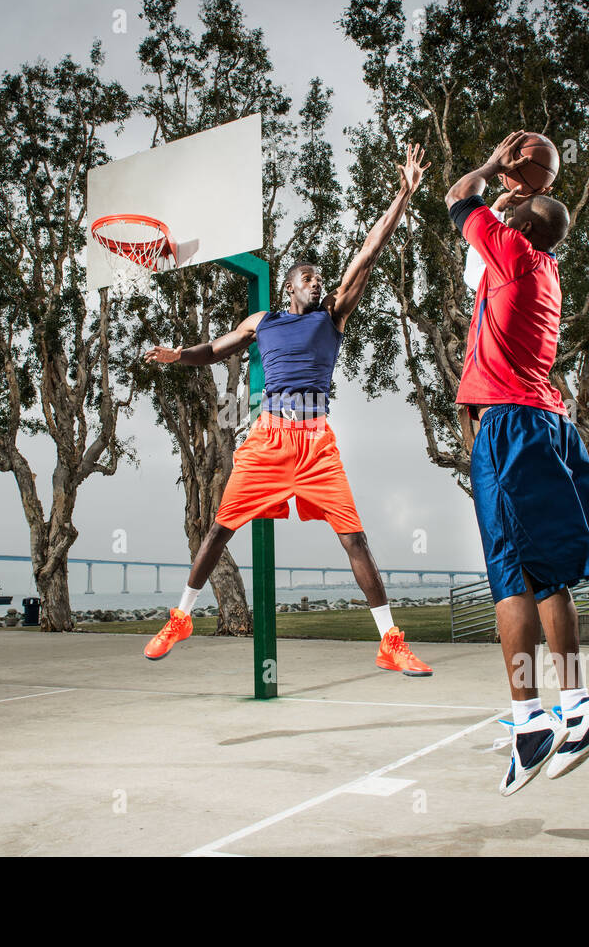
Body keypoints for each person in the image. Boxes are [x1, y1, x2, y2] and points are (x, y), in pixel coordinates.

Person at [142, 144, 433, 677]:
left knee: (355, 537)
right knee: (218, 530)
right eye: (310, 278)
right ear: (290, 287)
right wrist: (177, 355)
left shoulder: (332, 318)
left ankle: (390, 640)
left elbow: (367, 253)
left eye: (322, 277)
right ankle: (181, 617)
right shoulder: (263, 320)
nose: (319, 282)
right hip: (268, 439)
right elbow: (216, 349)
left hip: (316, 442)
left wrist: (402, 196)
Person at [445, 131, 589, 796]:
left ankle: (532, 717)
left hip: (511, 427)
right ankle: (568, 705)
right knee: (545, 576)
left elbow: (461, 195)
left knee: (510, 579)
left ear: (521, 222)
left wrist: (493, 165)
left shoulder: (512, 249)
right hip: (543, 422)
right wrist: (528, 187)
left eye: (513, 206)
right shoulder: (543, 270)